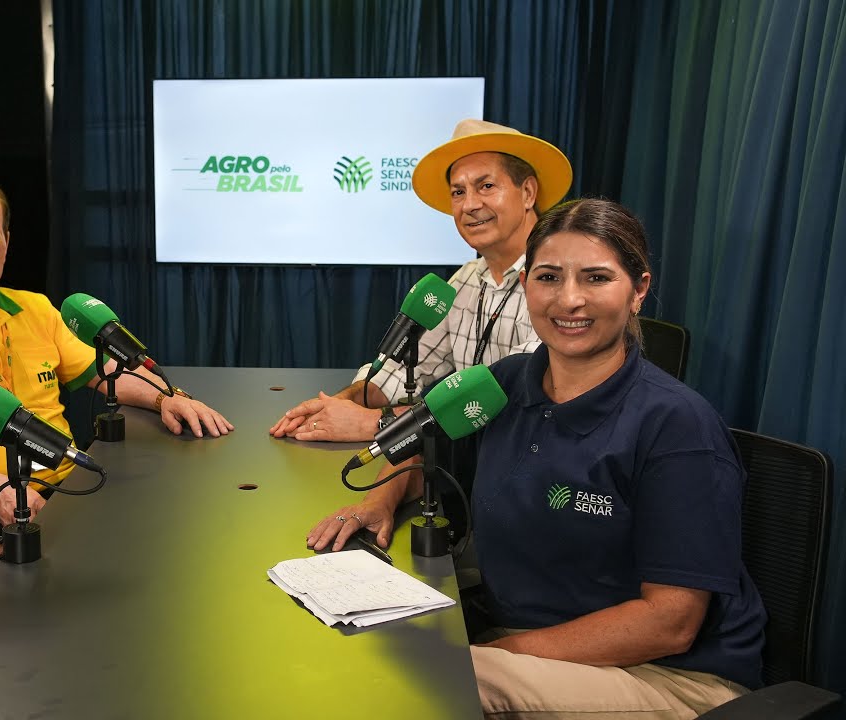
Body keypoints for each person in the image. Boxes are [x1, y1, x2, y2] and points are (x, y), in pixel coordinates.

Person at [311, 199, 765, 718]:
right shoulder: (505, 383)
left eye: (596, 278)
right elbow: (430, 456)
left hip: (668, 675)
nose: (569, 300)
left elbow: (670, 622)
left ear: (638, 291)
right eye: (549, 277)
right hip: (528, 646)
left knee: (431, 686)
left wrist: (497, 655)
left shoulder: (676, 426)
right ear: (526, 284)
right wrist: (383, 499)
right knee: (363, 653)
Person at [0, 173, 232, 531]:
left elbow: (107, 371)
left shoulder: (34, 309)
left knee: (177, 509)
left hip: (68, 483)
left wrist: (166, 398)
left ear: (6, 242)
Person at [270, 119, 571, 443]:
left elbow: (508, 401)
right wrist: (336, 405)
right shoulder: (465, 281)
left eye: (486, 186)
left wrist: (373, 424)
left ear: (527, 192)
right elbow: (403, 370)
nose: (469, 205)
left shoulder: (560, 282)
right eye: (458, 192)